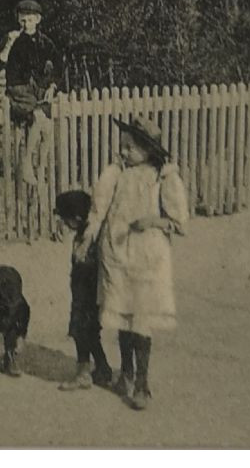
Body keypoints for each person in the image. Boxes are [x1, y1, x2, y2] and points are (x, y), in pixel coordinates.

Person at [77, 116, 189, 412]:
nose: (123, 153)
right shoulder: (116, 174)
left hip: (147, 257)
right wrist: (89, 240)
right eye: (122, 147)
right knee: (122, 316)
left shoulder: (161, 176)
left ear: (148, 150)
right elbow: (99, 209)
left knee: (141, 319)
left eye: (130, 148)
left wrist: (152, 220)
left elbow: (179, 222)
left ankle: (142, 382)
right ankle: (125, 373)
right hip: (117, 253)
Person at [0, 0, 59, 234]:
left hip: (37, 93)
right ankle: (27, 166)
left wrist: (52, 85)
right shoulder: (12, 39)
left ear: (38, 20)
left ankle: (38, 168)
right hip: (18, 91)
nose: (26, 22)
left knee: (47, 125)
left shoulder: (46, 43)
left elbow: (57, 67)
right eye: (22, 18)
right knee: (39, 117)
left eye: (30, 18)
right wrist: (8, 45)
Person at [54, 189, 112, 392]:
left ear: (77, 218)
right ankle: (103, 367)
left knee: (81, 331)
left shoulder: (89, 239)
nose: (64, 223)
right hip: (85, 292)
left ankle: (83, 372)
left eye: (65, 218)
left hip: (85, 294)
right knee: (90, 332)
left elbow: (85, 266)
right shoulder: (87, 232)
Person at [0, 265, 31, 378]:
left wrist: (21, 336)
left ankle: (9, 355)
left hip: (6, 309)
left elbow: (22, 321)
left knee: (14, 322)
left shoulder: (22, 307)